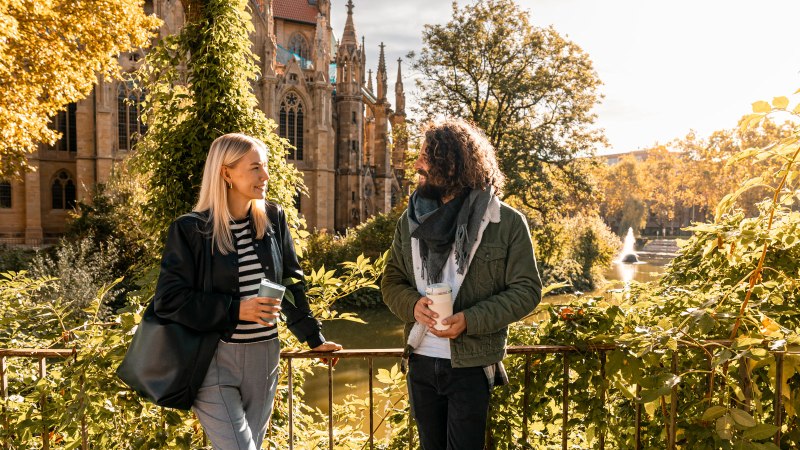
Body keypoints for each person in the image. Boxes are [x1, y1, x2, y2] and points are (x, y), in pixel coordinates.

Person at [153, 133, 341, 449]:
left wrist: (313, 338)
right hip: (212, 359)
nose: (265, 176)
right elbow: (168, 300)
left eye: (264, 167)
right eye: (255, 168)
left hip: (264, 358)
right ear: (226, 173)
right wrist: (236, 309)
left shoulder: (273, 218)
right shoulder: (190, 230)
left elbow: (291, 283)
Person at [381, 119, 542, 450]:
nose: (417, 165)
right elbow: (391, 280)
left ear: (451, 163)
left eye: (426, 156)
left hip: (471, 364)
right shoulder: (410, 219)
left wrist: (470, 319)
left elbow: (527, 290)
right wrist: (412, 305)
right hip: (421, 360)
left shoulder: (506, 222)